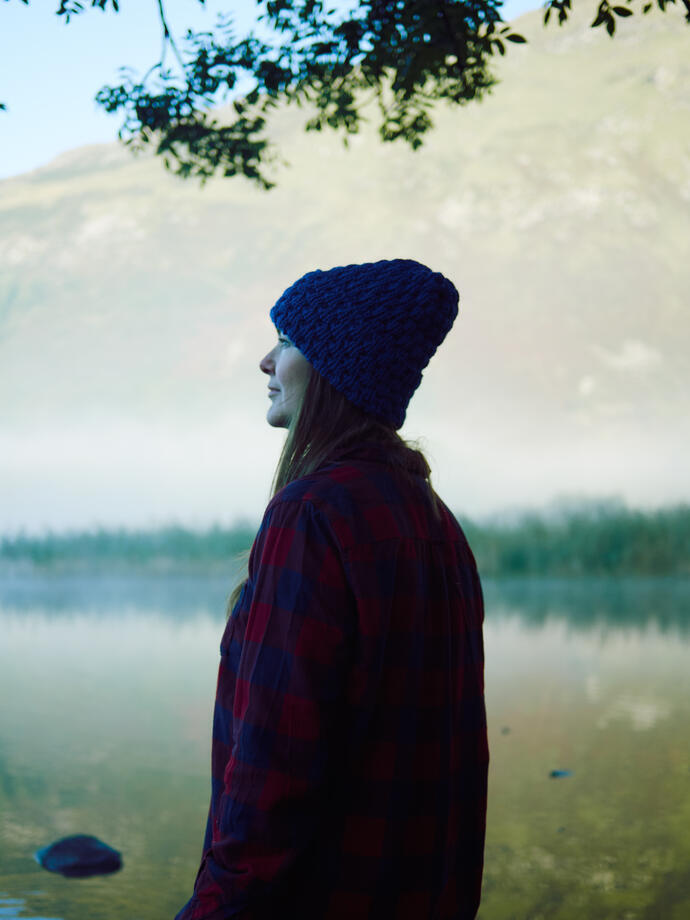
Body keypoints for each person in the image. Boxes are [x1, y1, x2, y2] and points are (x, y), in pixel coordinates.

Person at [175, 259, 489, 920]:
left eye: (286, 340)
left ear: (330, 365)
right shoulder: (435, 523)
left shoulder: (312, 516)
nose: (266, 361)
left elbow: (271, 777)